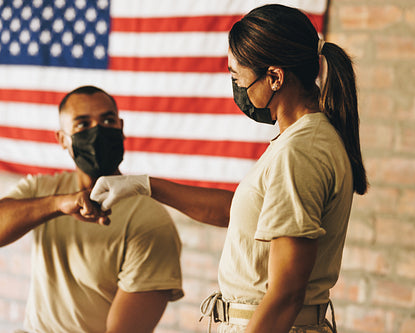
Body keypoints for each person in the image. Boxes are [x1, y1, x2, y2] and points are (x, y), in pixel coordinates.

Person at [91, 4, 368, 333]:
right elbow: (239, 213)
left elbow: (287, 294)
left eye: (237, 76)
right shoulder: (302, 140)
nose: (236, 86)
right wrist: (146, 186)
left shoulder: (301, 152)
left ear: (275, 77)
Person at [0, 85, 184, 333]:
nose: (98, 131)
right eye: (82, 125)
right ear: (62, 139)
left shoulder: (150, 222)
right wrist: (58, 204)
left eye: (108, 121)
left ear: (121, 128)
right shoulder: (43, 189)